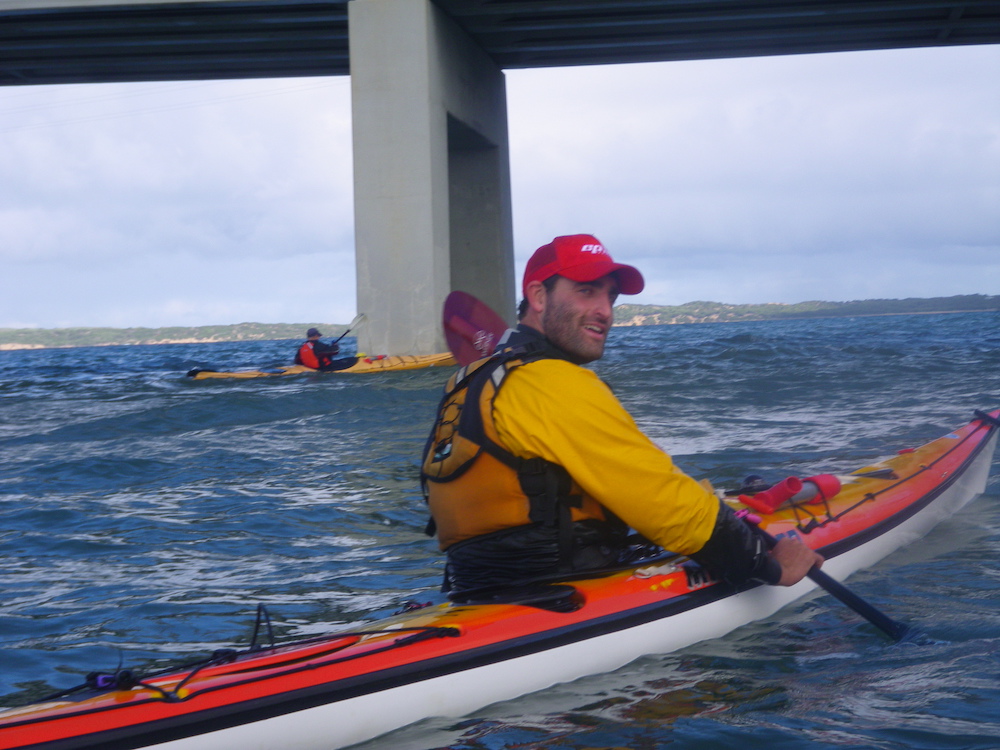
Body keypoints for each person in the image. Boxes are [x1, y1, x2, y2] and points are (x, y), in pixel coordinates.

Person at [421, 233, 822, 595]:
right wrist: (766, 564)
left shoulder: (468, 381)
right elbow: (665, 504)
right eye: (586, 291)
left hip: (472, 588)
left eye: (610, 296)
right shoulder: (553, 381)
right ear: (539, 297)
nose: (605, 311)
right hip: (565, 587)